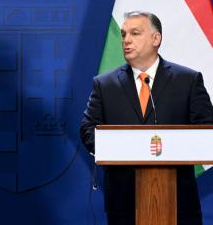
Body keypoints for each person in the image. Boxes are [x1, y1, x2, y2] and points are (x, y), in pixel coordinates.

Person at [80, 11, 213, 225]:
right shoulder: (104, 85)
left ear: (156, 39)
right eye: (123, 34)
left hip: (178, 201)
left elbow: (207, 130)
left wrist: (166, 146)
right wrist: (125, 146)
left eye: (135, 33)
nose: (126, 40)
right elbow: (88, 130)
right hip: (123, 203)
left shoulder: (188, 80)